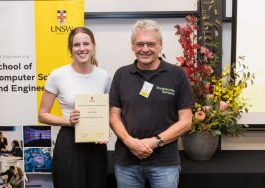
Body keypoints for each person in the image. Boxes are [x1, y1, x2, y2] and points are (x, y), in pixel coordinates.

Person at [109, 19, 194, 188]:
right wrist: (130, 142)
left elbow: (186, 121)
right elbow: (113, 117)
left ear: (160, 45)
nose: (145, 49)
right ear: (132, 45)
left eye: (151, 44)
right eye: (140, 44)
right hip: (127, 163)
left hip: (165, 164)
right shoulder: (121, 74)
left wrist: (154, 142)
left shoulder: (177, 75)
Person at [38, 27, 111, 188]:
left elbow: (107, 111)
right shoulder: (58, 75)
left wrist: (106, 129)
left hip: (96, 145)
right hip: (69, 142)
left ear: (93, 46)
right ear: (70, 49)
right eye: (76, 45)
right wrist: (67, 121)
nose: (82, 48)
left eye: (86, 43)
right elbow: (42, 114)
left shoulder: (104, 76)